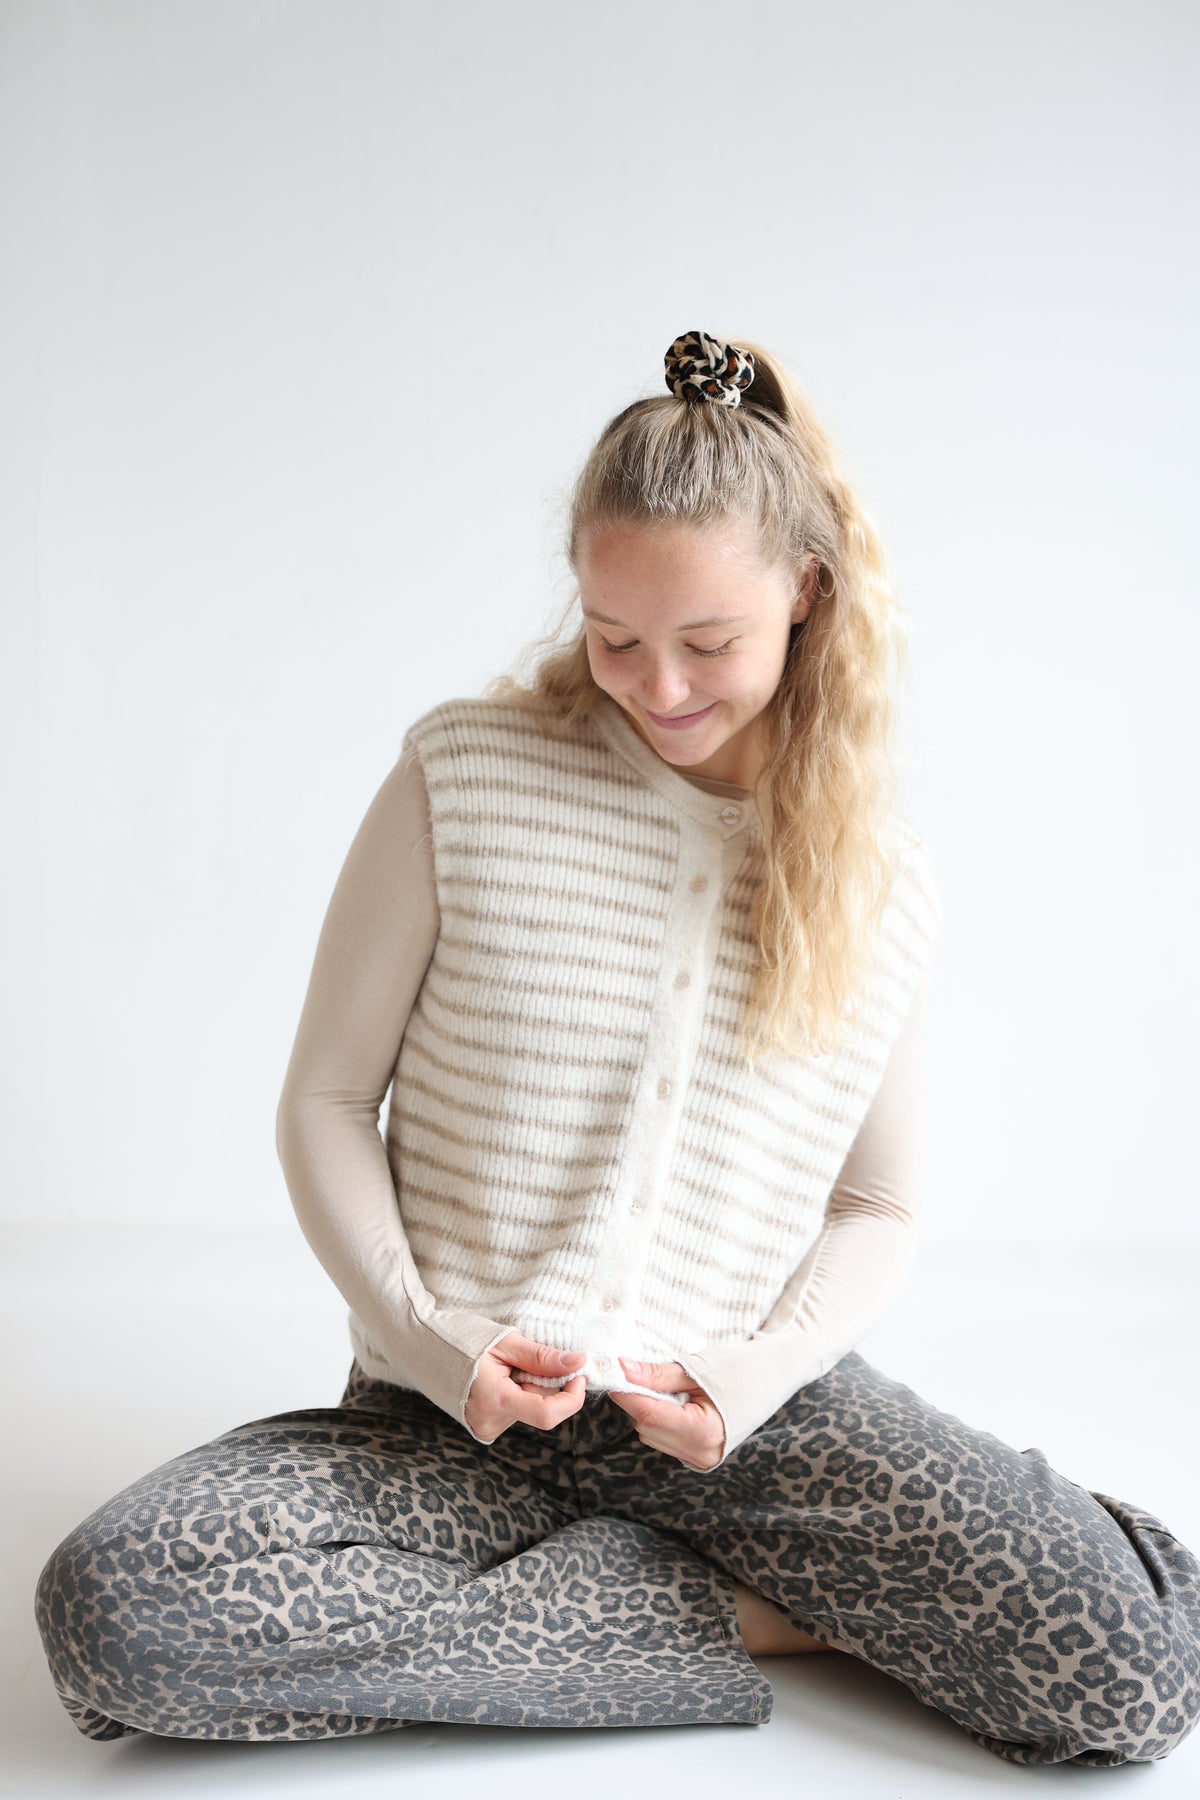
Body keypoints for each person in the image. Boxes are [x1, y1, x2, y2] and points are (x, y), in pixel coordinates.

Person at [33, 330, 1200, 1764]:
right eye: (615, 637)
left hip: (746, 1431)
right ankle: (754, 1617)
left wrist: (750, 1380)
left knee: (1138, 1664)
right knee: (118, 1611)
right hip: (451, 1423)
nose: (659, 687)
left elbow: (879, 1205)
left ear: (806, 593)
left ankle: (589, 1602)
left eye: (709, 643)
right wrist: (438, 1342)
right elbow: (328, 1099)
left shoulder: (877, 875)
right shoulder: (465, 773)